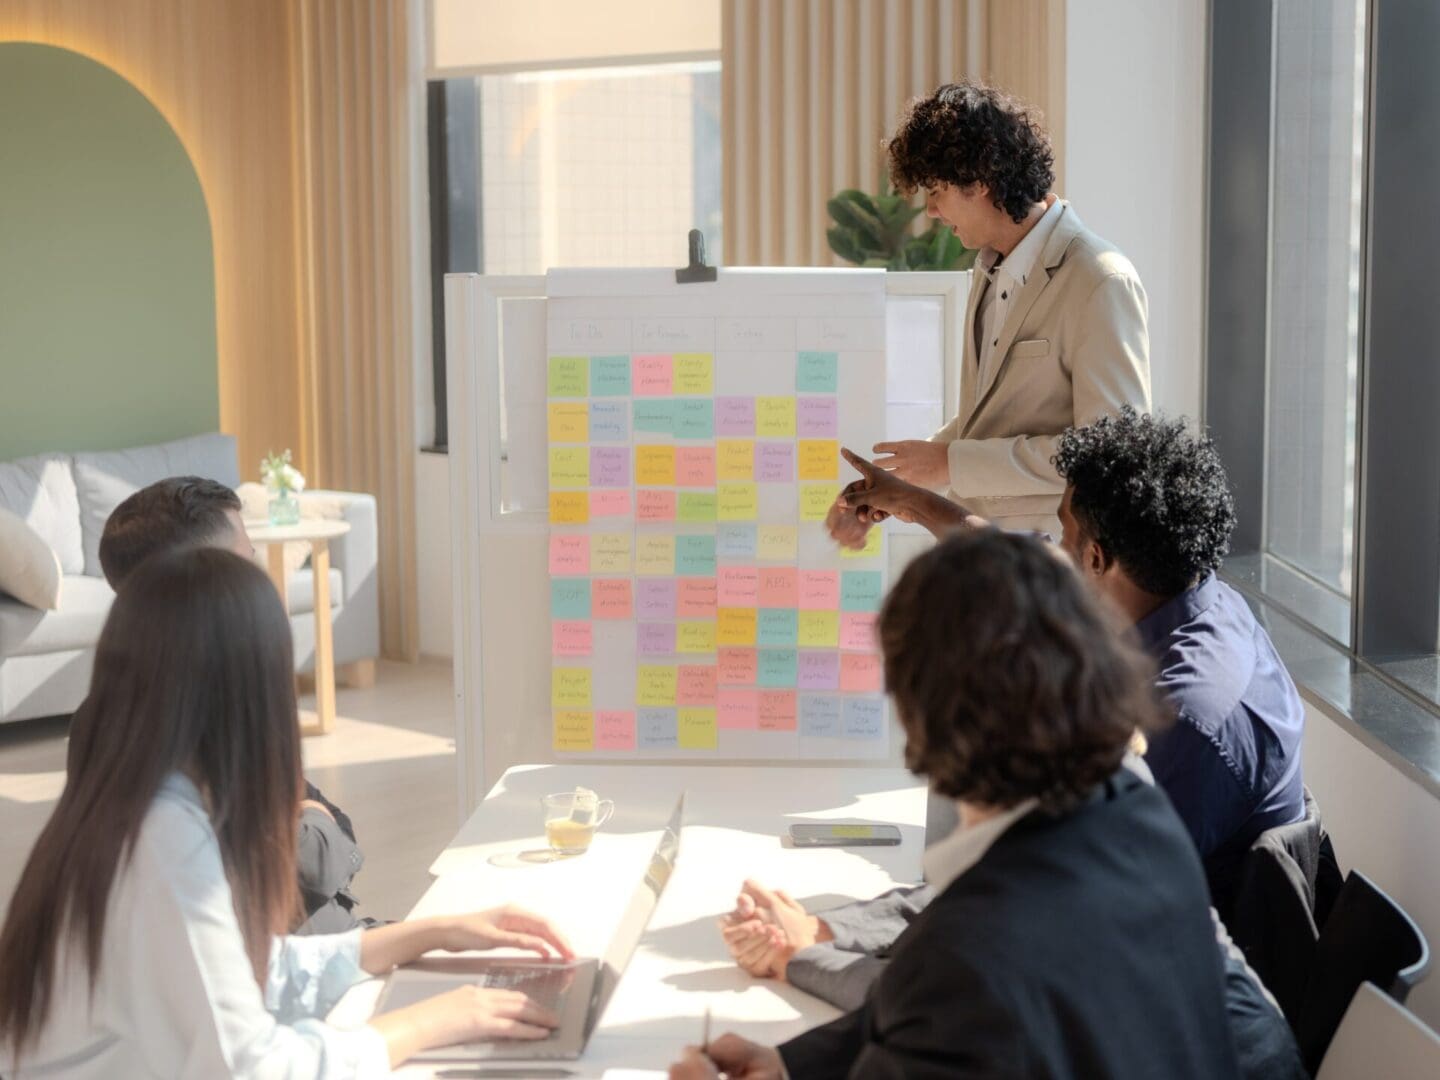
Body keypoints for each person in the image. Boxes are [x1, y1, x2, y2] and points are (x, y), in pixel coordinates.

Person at [672, 531, 1238, 1079]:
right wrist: (792, 1065)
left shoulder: (962, 957)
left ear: (918, 711)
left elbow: (946, 1012)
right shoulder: (1139, 812)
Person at [0, 548, 569, 1077]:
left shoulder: (130, 806)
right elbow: (257, 1068)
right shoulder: (162, 836)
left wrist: (430, 933)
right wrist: (432, 1021)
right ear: (248, 692)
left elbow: (253, 970)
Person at [828, 80, 1151, 541]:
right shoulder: (988, 268)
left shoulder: (1100, 280)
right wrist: (907, 483)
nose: (931, 210)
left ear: (979, 181)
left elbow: (1114, 456)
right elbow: (993, 417)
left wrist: (951, 463)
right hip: (985, 559)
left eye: (936, 190)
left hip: (1054, 563)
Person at [99, 475, 369, 933]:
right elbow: (316, 858)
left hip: (326, 949)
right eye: (246, 560)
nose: (260, 576)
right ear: (201, 581)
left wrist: (313, 820)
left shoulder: (117, 710)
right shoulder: (190, 728)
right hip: (304, 962)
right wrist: (312, 818)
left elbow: (327, 830)